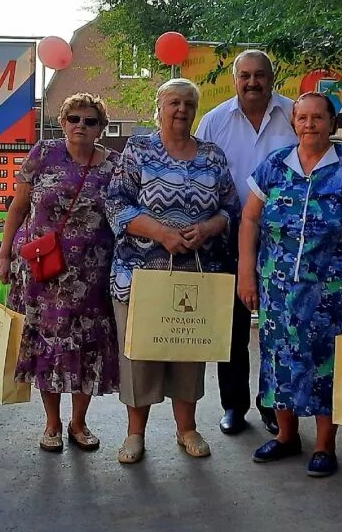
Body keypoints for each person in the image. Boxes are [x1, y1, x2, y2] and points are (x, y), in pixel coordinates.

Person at [238, 92, 342, 478]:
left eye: (317, 118)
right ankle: (287, 437)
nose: (309, 124)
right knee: (278, 359)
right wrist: (246, 271)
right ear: (294, 122)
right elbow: (250, 219)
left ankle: (325, 445)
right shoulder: (275, 165)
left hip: (334, 290)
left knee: (328, 364)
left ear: (331, 124)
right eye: (302, 117)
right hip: (279, 287)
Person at [106, 78, 240, 465]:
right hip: (139, 273)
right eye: (173, 103)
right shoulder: (138, 149)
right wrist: (162, 233)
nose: (181, 109)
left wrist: (210, 227)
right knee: (140, 356)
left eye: (188, 104)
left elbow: (230, 208)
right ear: (159, 108)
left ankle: (187, 429)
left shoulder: (212, 156)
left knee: (188, 352)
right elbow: (115, 202)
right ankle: (135, 435)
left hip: (195, 274)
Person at [0, 93, 121, 452]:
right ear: (63, 122)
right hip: (41, 274)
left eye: (90, 120)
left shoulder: (114, 166)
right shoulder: (43, 153)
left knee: (88, 349)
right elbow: (18, 207)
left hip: (92, 277)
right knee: (46, 348)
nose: (81, 125)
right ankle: (51, 423)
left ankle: (79, 424)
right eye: (74, 119)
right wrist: (4, 256)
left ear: (101, 128)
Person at [195, 49, 297, 436]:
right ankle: (233, 405)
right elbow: (197, 173)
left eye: (260, 75)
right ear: (235, 78)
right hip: (227, 235)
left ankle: (274, 404)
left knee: (278, 328)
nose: (252, 82)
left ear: (272, 78)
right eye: (245, 76)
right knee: (232, 328)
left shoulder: (293, 115)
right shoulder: (215, 121)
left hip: (285, 241)